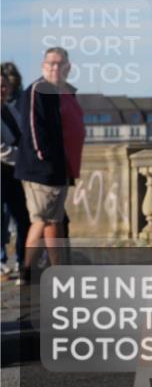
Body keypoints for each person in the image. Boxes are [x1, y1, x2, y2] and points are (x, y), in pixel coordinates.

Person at [14, 47, 85, 284]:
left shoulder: (63, 91)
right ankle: (37, 271)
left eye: (59, 64)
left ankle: (52, 269)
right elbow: (32, 127)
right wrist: (43, 157)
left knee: (53, 220)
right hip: (42, 169)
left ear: (68, 67)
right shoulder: (38, 89)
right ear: (43, 66)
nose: (55, 68)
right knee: (46, 221)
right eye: (50, 63)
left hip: (60, 167)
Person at [1, 73, 30, 282]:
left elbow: (25, 136)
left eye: (4, 86)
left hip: (14, 173)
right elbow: (1, 150)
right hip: (6, 168)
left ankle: (22, 259)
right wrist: (25, 157)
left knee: (23, 218)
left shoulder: (11, 110)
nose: (2, 90)